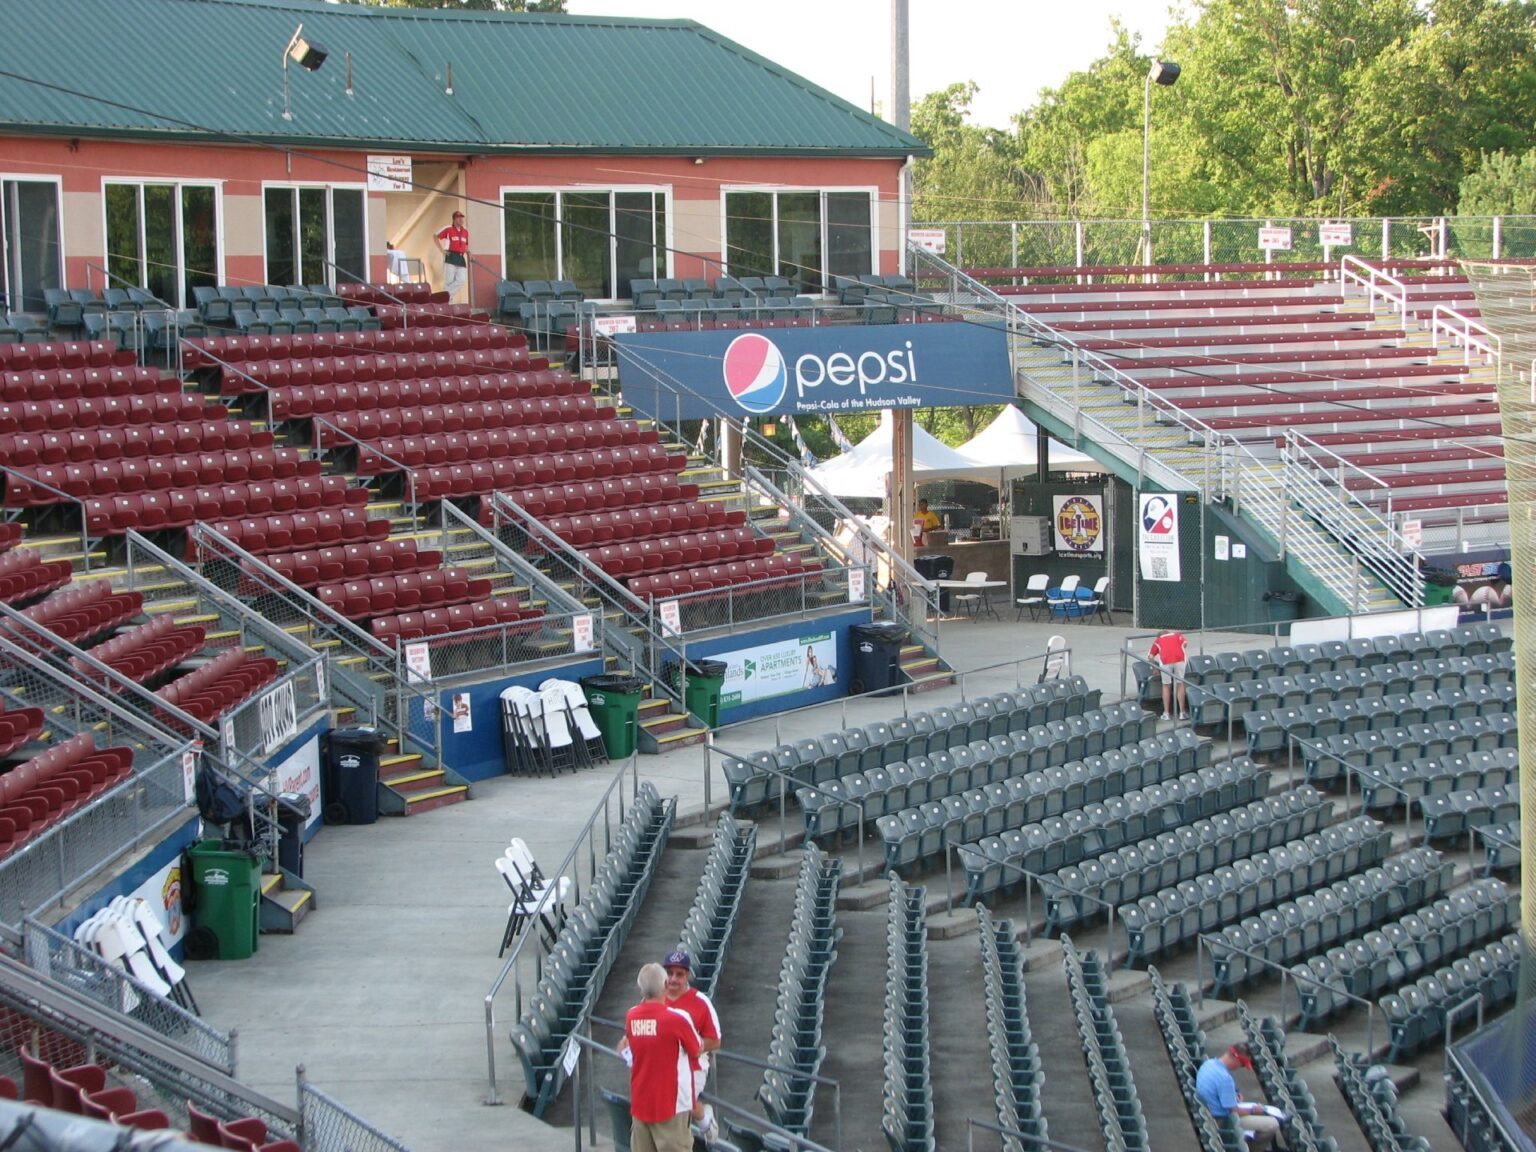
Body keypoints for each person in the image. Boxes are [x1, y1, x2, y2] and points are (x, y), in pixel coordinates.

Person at [624, 962, 701, 1152]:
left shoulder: (631, 1016)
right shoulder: (677, 1018)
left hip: (641, 1102)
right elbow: (696, 1049)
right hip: (671, 1105)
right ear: (665, 984)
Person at [662, 950, 721, 1144]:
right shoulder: (655, 999)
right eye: (669, 973)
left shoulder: (700, 1002)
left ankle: (704, 1120)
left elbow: (715, 1040)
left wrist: (693, 1046)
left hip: (693, 1065)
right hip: (662, 1063)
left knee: (678, 1100)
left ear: (687, 975)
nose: (673, 979)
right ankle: (701, 1118)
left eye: (679, 974)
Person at [1195, 1043, 1284, 1150]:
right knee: (1272, 1124)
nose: (1240, 1067)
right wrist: (1254, 1111)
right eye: (1242, 1064)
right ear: (1236, 1059)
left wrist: (1234, 1096)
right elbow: (1233, 1110)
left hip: (1208, 1115)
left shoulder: (1209, 1063)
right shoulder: (1225, 1079)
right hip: (1221, 1121)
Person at [1148, 629, 1189, 722]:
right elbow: (1185, 644)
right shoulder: (1178, 635)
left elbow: (1150, 657)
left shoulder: (1158, 640)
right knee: (1180, 684)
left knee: (1166, 685)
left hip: (1166, 661)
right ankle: (1182, 712)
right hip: (1180, 659)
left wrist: (1154, 669)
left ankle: (1166, 713)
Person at [435, 210, 470, 301]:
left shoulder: (465, 231)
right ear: (454, 219)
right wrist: (442, 250)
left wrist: (470, 254)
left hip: (460, 257)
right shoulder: (448, 229)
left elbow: (466, 245)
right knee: (449, 281)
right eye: (459, 218)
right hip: (450, 255)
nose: (461, 220)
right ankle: (447, 301)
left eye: (462, 218)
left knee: (461, 280)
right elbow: (435, 236)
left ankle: (444, 297)